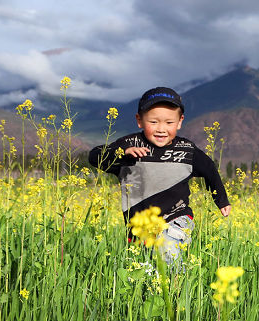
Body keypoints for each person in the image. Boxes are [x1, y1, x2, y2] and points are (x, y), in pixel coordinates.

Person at [89, 87, 231, 265]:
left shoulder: (186, 150)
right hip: (140, 226)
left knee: (168, 251)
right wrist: (122, 154)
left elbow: (210, 169)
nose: (161, 129)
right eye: (153, 122)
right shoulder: (129, 145)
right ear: (139, 120)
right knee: (145, 270)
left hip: (177, 216)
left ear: (180, 122)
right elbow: (95, 156)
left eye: (169, 123)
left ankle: (175, 290)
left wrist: (221, 200)